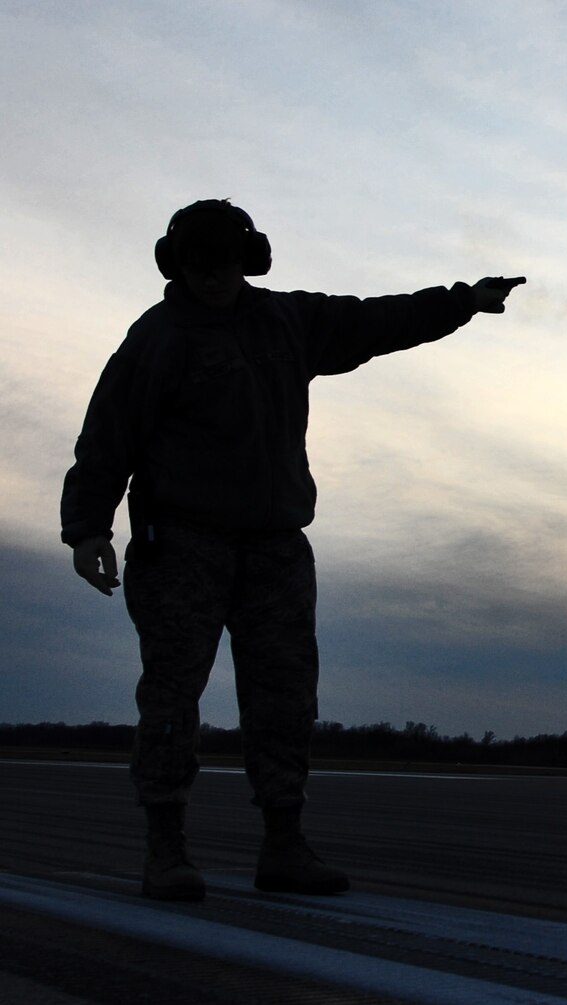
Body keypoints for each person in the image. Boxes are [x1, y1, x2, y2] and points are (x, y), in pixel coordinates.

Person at [60, 199, 525, 901]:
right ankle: (166, 849)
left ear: (250, 259)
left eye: (223, 265)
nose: (212, 279)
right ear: (177, 265)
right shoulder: (155, 340)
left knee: (284, 700)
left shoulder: (288, 322)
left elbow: (376, 320)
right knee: (170, 698)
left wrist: (462, 303)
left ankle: (284, 843)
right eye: (198, 267)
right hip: (181, 545)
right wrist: (88, 528)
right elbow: (107, 438)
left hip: (275, 546)